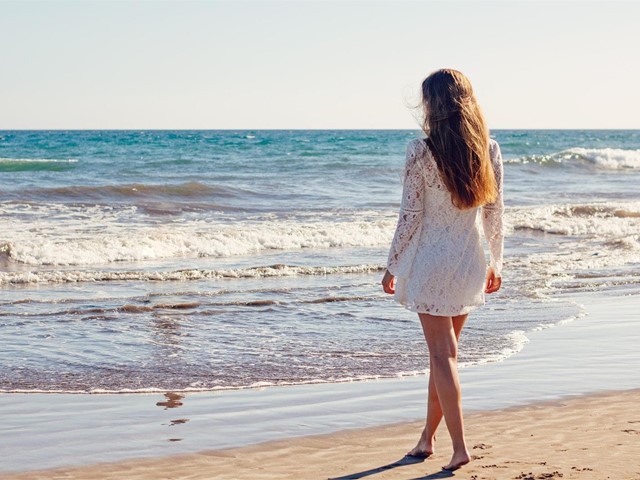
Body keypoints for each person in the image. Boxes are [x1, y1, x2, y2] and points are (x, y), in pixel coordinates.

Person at [381, 68, 504, 472]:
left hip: (431, 265)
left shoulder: (420, 151)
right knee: (444, 358)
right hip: (469, 262)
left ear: (434, 104)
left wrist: (392, 264)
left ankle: (460, 447)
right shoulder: (488, 149)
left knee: (442, 355)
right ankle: (427, 438)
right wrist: (496, 261)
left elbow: (410, 215)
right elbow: (494, 213)